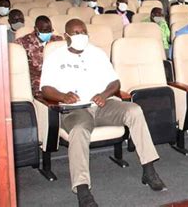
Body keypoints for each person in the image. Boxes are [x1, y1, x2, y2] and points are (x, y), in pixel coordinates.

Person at [40, 19, 166, 207]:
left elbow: (115, 83)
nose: (80, 35)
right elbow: (45, 88)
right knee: (80, 128)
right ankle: (82, 189)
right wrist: (62, 95)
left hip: (102, 105)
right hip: (75, 110)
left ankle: (149, 170)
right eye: (75, 33)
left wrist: (104, 94)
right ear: (66, 36)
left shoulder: (97, 53)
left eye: (83, 31)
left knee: (134, 110)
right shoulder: (55, 57)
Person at [14, 16, 63, 97]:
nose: (48, 33)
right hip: (37, 82)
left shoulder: (57, 41)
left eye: (50, 30)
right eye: (44, 30)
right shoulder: (22, 43)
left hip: (57, 78)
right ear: (36, 29)